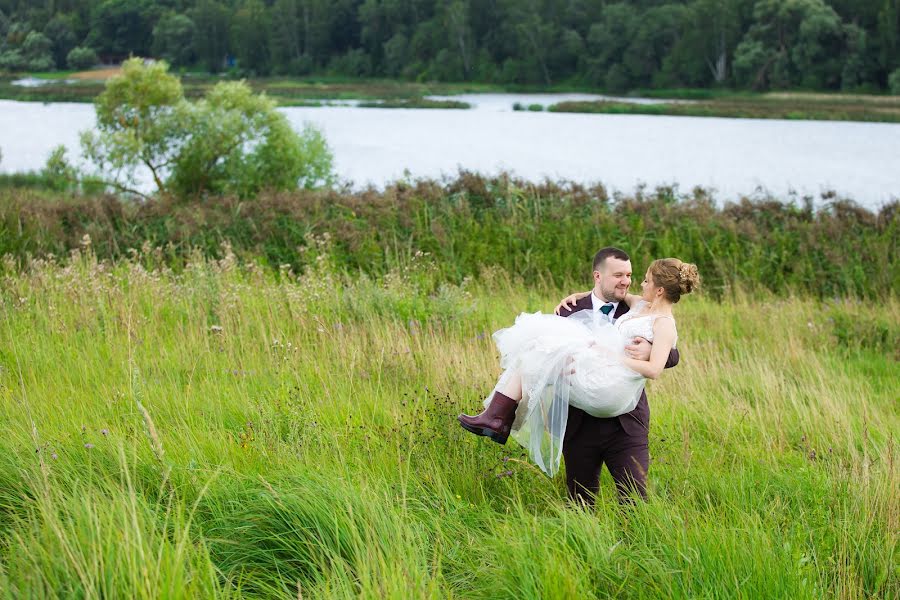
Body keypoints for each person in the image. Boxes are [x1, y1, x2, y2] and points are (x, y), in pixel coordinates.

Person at [458, 248, 699, 503]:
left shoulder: (645, 311)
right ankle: (499, 417)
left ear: (658, 288)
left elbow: (669, 355)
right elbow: (554, 365)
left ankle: (501, 417)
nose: (628, 282)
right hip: (580, 423)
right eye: (619, 275)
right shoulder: (570, 310)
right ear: (598, 276)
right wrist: (556, 367)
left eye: (631, 275)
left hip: (625, 422)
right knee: (580, 500)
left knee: (634, 496)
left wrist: (648, 350)